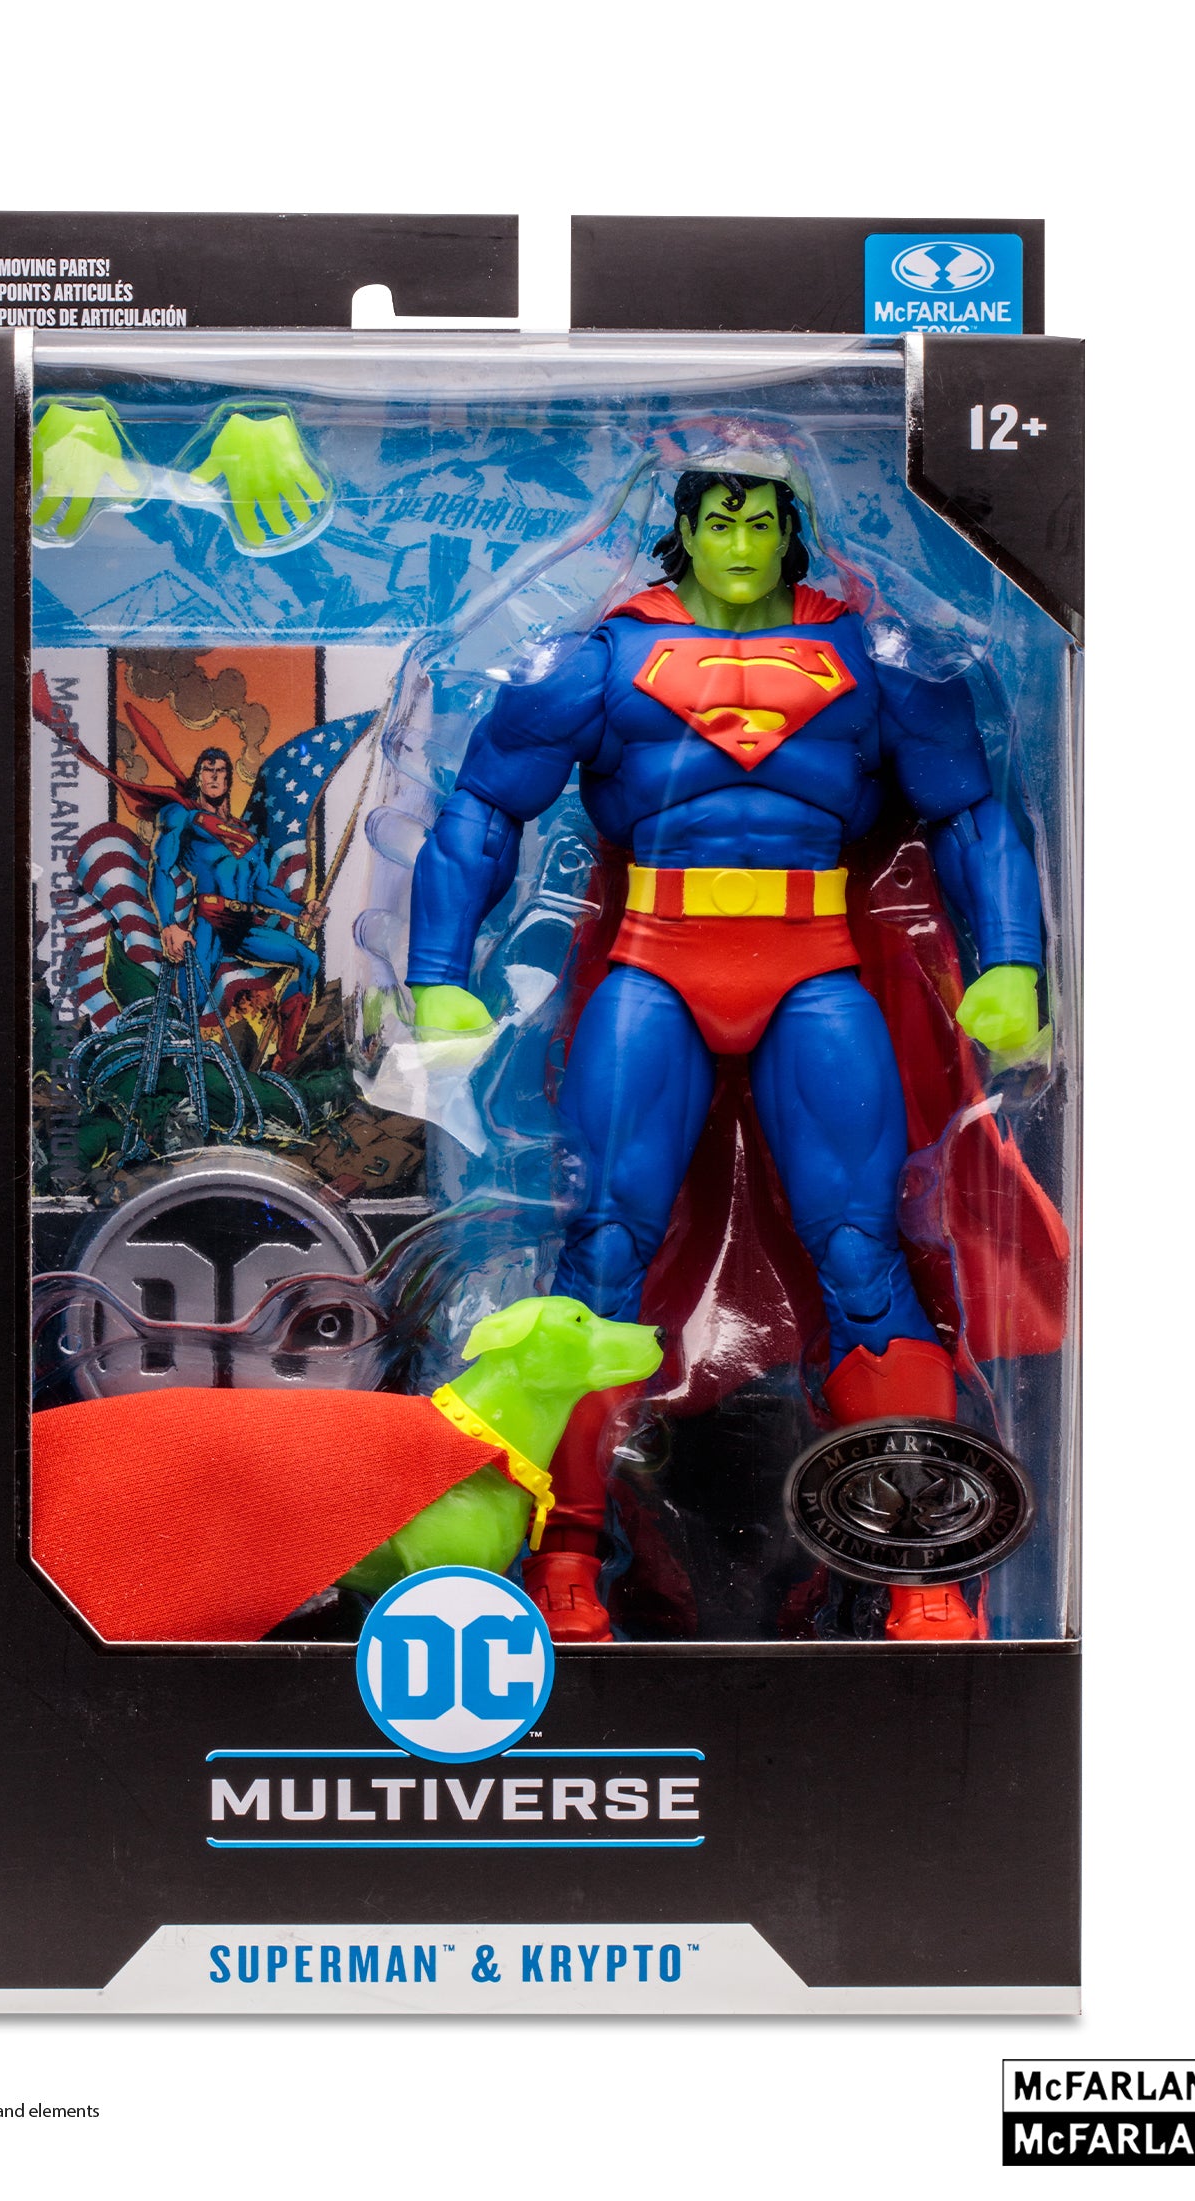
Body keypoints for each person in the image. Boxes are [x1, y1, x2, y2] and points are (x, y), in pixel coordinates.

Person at [404, 470, 1044, 1641]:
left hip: (813, 961)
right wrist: (438, 968)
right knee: (600, 1261)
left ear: (792, 530)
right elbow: (481, 808)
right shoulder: (597, 660)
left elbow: (968, 814)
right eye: (717, 519)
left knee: (861, 1257)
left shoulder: (876, 659)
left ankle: (921, 1569)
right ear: (682, 530)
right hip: (653, 961)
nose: (738, 540)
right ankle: (564, 1555)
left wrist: (1009, 960)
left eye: (760, 520)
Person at [153, 747, 327, 1063]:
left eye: (220, 770)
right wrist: (168, 924)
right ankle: (172, 1066)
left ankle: (285, 1056)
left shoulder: (247, 837)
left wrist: (301, 911)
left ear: (229, 779)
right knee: (190, 999)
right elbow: (162, 869)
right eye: (207, 770)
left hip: (245, 926)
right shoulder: (185, 817)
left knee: (308, 960)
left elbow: (261, 891)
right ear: (198, 778)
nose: (214, 776)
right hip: (210, 921)